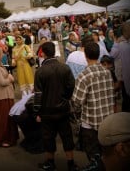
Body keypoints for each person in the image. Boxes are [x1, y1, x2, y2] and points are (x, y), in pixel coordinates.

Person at [34, 42, 78, 171]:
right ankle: (71, 164)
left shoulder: (40, 71)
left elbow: (38, 94)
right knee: (67, 136)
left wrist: (37, 111)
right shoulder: (64, 68)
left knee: (48, 137)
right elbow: (71, 85)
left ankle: (50, 163)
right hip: (63, 109)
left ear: (43, 53)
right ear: (54, 52)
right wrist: (66, 98)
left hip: (47, 111)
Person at [72, 42, 115, 161]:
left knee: (93, 156)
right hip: (107, 120)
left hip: (90, 123)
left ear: (85, 55)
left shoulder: (84, 75)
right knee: (107, 155)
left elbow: (77, 101)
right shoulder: (107, 72)